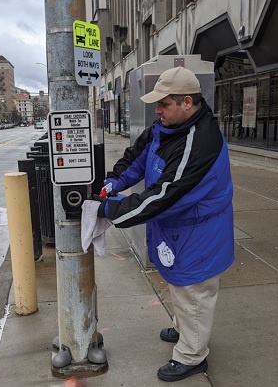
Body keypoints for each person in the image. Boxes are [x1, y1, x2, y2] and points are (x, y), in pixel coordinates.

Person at [94, 66, 234, 382]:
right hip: (179, 232)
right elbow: (139, 157)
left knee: (193, 294)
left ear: (188, 102)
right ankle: (187, 331)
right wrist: (115, 181)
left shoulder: (201, 143)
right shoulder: (167, 126)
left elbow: (162, 196)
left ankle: (192, 355)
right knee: (181, 290)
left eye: (164, 104)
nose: (157, 111)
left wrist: (110, 209)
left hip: (199, 236)